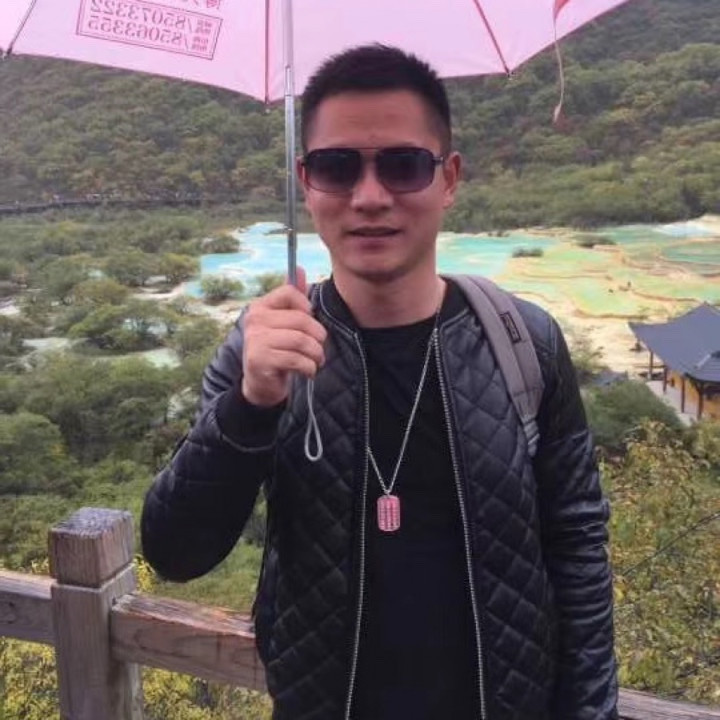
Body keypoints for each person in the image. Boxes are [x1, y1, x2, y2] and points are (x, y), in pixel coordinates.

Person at [141, 44, 618, 720]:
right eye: (338, 167)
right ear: (306, 183)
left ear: (449, 178)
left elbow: (576, 548)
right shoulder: (265, 352)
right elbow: (175, 553)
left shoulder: (524, 342)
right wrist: (251, 407)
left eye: (403, 164)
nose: (369, 197)